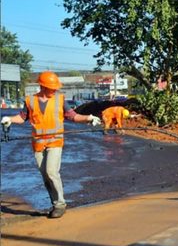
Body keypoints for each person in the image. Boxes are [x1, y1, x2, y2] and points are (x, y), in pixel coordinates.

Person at [0, 71, 102, 219]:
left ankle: (60, 205)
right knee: (45, 176)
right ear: (43, 86)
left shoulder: (60, 99)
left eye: (55, 87)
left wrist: (88, 118)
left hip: (55, 141)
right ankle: (55, 204)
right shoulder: (30, 101)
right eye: (51, 87)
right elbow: (22, 118)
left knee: (51, 171)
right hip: (38, 143)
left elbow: (72, 116)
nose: (54, 89)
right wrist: (9, 118)